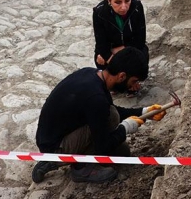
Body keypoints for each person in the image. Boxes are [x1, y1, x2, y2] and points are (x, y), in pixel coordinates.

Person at [32, 47, 166, 183]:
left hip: (55, 134)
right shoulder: (96, 97)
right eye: (134, 81)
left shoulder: (93, 75)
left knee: (120, 143)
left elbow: (107, 110)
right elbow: (103, 146)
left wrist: (144, 112)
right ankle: (80, 168)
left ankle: (73, 156)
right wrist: (125, 128)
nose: (134, 86)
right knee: (112, 122)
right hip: (55, 146)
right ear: (122, 76)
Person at [93, 0, 149, 70]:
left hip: (131, 49)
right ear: (109, 0)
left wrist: (116, 51)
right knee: (101, 61)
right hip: (110, 52)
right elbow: (102, 45)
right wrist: (112, 61)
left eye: (127, 0)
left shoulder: (137, 7)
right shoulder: (99, 13)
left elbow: (140, 41)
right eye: (118, 2)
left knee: (142, 56)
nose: (124, 7)